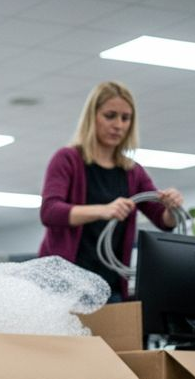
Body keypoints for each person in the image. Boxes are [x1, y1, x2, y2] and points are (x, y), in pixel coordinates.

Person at [38, 80, 184, 300]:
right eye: (110, 116)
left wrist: (171, 207)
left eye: (126, 118)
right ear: (92, 117)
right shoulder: (68, 159)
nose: (118, 125)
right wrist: (103, 210)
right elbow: (50, 212)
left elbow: (163, 221)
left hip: (110, 286)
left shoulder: (133, 172)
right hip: (65, 284)